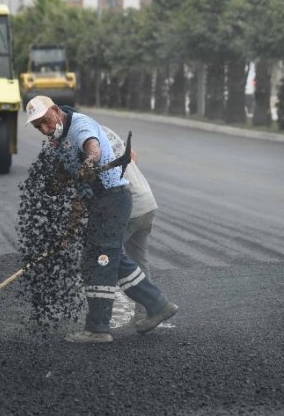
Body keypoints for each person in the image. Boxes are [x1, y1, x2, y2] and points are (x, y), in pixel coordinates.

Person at [25, 95, 178, 343]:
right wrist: (69, 230)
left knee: (103, 260)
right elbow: (79, 194)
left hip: (113, 199)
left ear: (55, 110)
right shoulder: (60, 143)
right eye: (37, 127)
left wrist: (89, 162)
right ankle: (157, 304)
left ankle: (99, 328)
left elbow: (93, 148)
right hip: (101, 202)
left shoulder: (80, 126)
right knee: (100, 257)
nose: (44, 129)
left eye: (45, 121)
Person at [102, 125, 157, 322]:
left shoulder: (86, 139)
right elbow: (133, 155)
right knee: (140, 261)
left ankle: (100, 318)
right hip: (147, 202)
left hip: (130, 208)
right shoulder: (106, 131)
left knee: (103, 259)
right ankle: (149, 311)